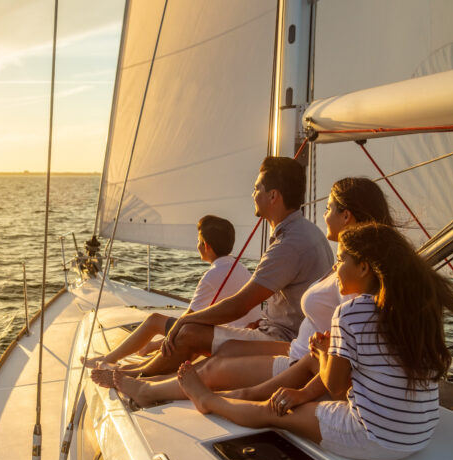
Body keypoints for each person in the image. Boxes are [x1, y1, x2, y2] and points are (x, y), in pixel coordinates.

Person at [177, 223, 453, 460]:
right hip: (419, 433)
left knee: (273, 413)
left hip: (376, 437)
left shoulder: (351, 311)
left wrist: (324, 353)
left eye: (341, 260)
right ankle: (239, 395)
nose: (335, 268)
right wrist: (321, 364)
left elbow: (336, 387)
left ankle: (207, 399)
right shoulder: (414, 310)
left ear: (363, 268)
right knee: (294, 394)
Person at [113, 177, 392, 407]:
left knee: (212, 366)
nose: (324, 213)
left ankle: (147, 389)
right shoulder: (347, 259)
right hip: (296, 347)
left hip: (302, 359)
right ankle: (149, 380)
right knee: (228, 350)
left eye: (329, 208)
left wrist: (306, 386)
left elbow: (350, 342)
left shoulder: (354, 272)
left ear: (346, 216)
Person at [92, 156, 332, 386]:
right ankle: (139, 373)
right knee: (207, 339)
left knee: (188, 333)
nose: (252, 194)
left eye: (256, 188)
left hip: (286, 342)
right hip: (289, 334)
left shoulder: (288, 244)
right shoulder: (309, 232)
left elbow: (240, 304)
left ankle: (137, 375)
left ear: (273, 196)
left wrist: (186, 320)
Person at [83, 215, 261, 370]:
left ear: (206, 246)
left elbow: (185, 322)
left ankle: (108, 359)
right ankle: (148, 349)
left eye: (199, 241)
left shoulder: (212, 276)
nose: (197, 245)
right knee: (181, 328)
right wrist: (156, 344)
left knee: (154, 321)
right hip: (240, 338)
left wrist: (162, 339)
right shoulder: (241, 269)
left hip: (226, 342)